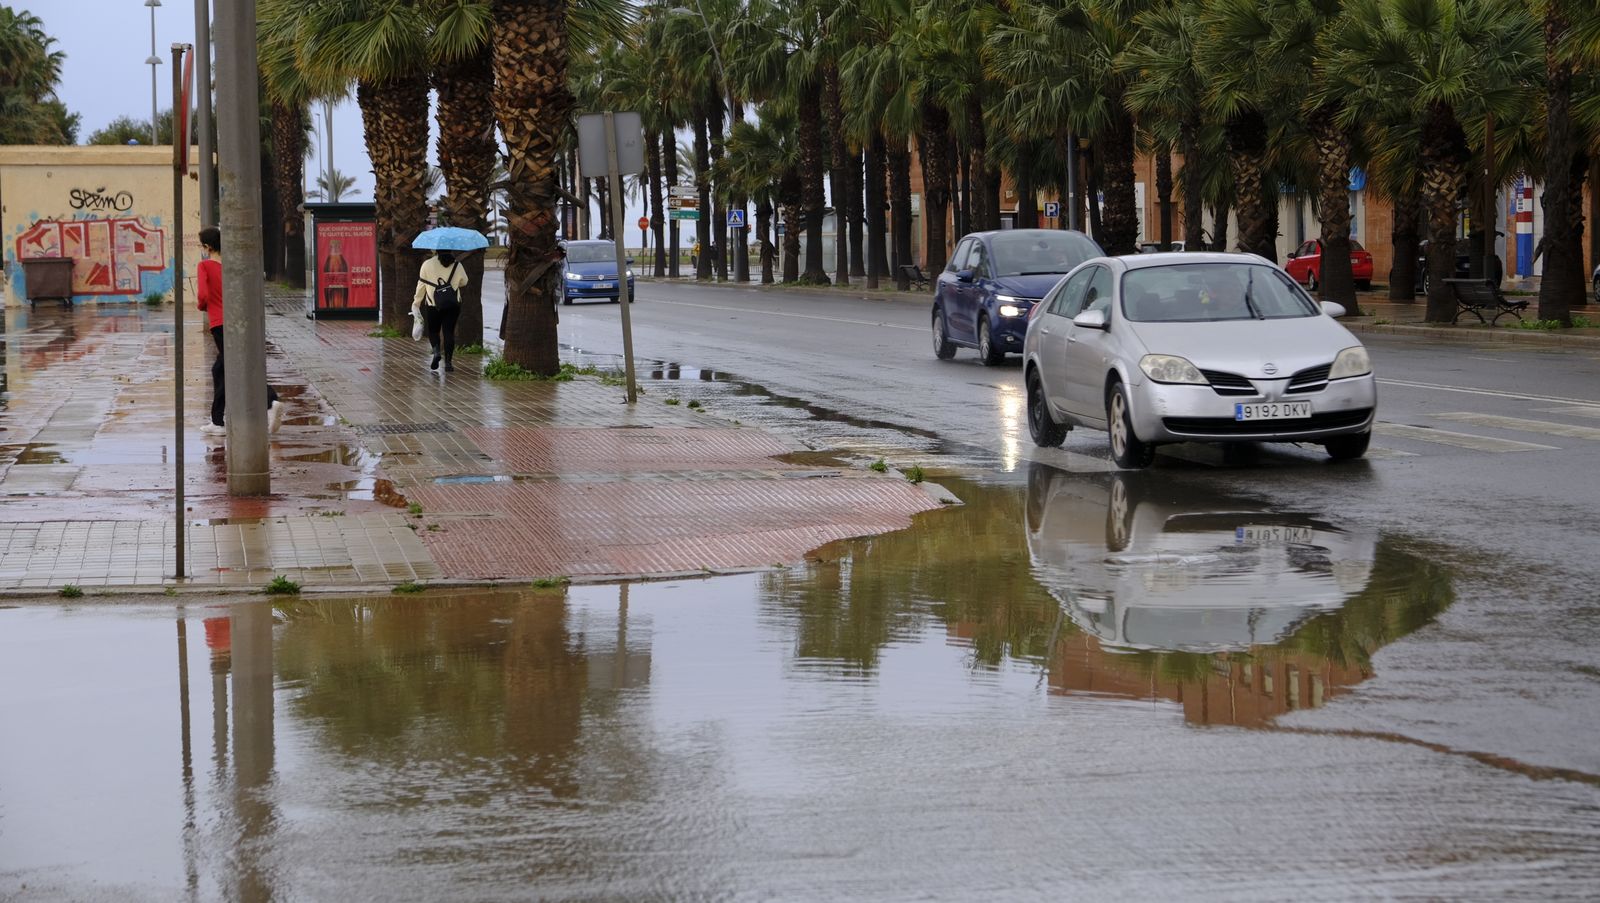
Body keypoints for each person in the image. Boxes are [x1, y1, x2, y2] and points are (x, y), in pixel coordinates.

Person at [196, 226, 282, 437]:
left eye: (202, 246)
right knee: (221, 369)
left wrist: (202, 306)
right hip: (238, 322)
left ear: (207, 246)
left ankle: (271, 402)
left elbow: (203, 295)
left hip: (219, 322)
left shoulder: (205, 266)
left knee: (238, 367)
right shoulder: (232, 265)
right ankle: (217, 420)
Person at [413, 249, 469, 372]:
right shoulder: (457, 264)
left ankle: (437, 352)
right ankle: (448, 363)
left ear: (436, 251)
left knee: (433, 331)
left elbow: (421, 285)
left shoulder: (427, 264)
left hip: (433, 304)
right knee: (448, 332)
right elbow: (465, 281)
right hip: (453, 304)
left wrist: (416, 303)